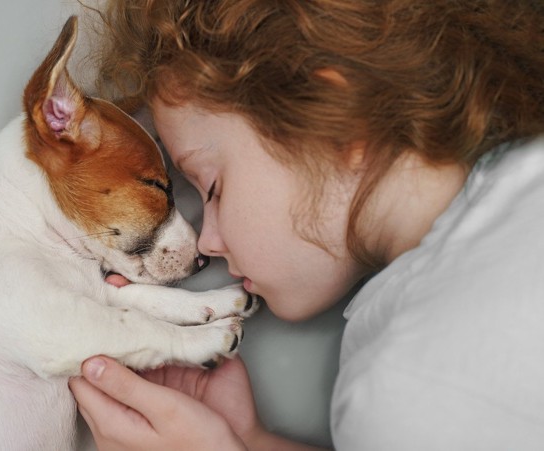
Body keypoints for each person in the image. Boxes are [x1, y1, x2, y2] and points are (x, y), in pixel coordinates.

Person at [69, 1, 544, 449]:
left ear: (332, 123)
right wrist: (248, 443)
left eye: (211, 187)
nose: (207, 242)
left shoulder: (411, 380)